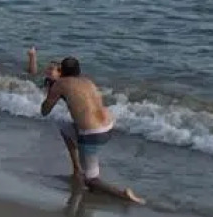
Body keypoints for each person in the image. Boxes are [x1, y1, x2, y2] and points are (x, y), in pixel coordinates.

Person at [40, 56, 144, 203]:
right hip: (109, 126)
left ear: (62, 71)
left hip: (92, 134)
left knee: (91, 181)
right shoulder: (87, 81)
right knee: (65, 127)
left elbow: (44, 111)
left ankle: (123, 195)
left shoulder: (60, 84)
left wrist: (51, 92)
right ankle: (77, 170)